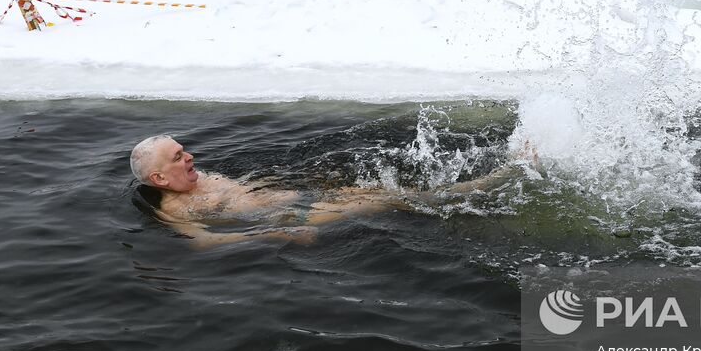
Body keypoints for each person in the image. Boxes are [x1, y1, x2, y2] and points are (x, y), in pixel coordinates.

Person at [129, 134, 524, 246]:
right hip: (295, 216)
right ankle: (495, 183)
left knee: (375, 186)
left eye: (185, 151)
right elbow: (203, 243)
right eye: (179, 156)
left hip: (302, 199)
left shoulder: (200, 180)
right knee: (386, 198)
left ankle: (475, 190)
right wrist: (275, 233)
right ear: (159, 179)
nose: (190, 157)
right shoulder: (175, 210)